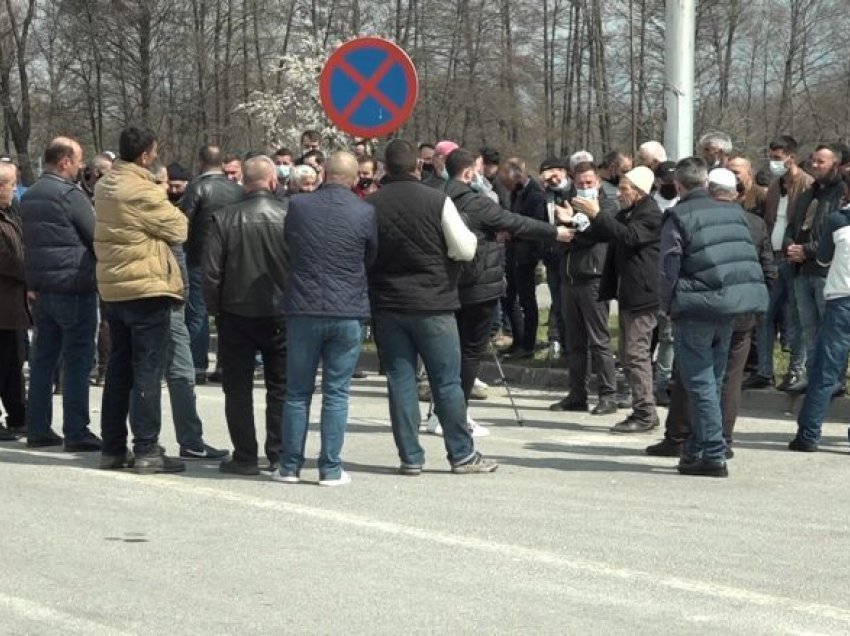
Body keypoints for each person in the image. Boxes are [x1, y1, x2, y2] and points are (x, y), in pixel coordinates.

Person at [367, 139, 497, 475]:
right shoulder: (437, 200)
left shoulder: (372, 204)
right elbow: (465, 249)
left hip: (388, 302)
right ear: (418, 167)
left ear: (386, 168)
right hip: (434, 301)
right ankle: (461, 454)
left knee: (400, 379)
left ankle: (410, 457)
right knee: (447, 381)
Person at [437, 148, 573, 436]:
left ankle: (441, 412)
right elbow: (517, 223)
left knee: (451, 351)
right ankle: (455, 416)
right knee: (470, 351)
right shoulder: (476, 202)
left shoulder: (434, 196)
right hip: (477, 285)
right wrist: (555, 232)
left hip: (444, 285)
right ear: (468, 172)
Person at [647, 167, 775, 459]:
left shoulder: (679, 215)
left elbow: (668, 267)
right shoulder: (735, 214)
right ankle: (696, 447)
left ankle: (712, 451)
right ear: (705, 183)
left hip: (697, 307)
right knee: (714, 378)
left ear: (678, 185)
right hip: (732, 307)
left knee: (699, 380)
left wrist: (666, 305)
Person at [276, 152, 377, 486]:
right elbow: (371, 255)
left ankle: (289, 465)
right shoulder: (364, 211)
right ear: (352, 179)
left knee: (297, 392)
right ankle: (330, 468)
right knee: (336, 393)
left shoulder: (299, 207)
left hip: (304, 308)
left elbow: (288, 246)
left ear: (323, 173)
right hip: (347, 310)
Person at [95, 126, 188, 473]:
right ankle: (147, 448)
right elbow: (179, 229)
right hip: (146, 288)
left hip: (114, 288)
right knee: (147, 370)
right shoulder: (143, 191)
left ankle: (113, 448)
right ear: (146, 155)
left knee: (118, 369)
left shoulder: (105, 185)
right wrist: (161, 194)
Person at [204, 156, 288, 476]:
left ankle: (245, 455)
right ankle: (279, 452)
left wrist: (216, 309)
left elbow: (212, 272)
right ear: (271, 181)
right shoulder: (289, 214)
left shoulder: (224, 218)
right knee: (280, 385)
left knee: (237, 388)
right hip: (281, 311)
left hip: (236, 312)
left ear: (244, 182)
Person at [19, 137, 101, 451]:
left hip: (42, 287)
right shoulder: (70, 195)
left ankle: (38, 427)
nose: (81, 166)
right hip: (74, 285)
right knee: (78, 360)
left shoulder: (31, 194)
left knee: (43, 360)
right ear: (64, 160)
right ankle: (77, 430)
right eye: (78, 160)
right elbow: (95, 235)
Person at [151, 164, 228, 460]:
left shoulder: (117, 206)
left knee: (145, 372)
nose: (168, 187)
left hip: (137, 297)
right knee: (177, 372)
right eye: (162, 181)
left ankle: (148, 440)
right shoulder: (159, 211)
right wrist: (181, 294)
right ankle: (184, 440)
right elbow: (178, 242)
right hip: (161, 297)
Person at [578, 165, 661, 433]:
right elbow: (607, 232)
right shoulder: (630, 212)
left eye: (624, 189)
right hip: (629, 293)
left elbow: (629, 237)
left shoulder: (650, 214)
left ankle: (645, 413)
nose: (618, 194)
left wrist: (598, 214)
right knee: (628, 354)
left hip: (643, 295)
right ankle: (643, 408)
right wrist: (576, 220)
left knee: (636, 355)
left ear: (638, 192)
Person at [548, 161, 618, 415]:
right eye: (580, 183)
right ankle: (577, 393)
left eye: (590, 182)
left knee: (599, 340)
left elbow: (600, 234)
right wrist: (569, 230)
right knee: (574, 341)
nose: (585, 187)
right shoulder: (567, 202)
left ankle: (608, 394)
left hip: (593, 278)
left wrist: (574, 227)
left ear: (598, 182)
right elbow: (558, 238)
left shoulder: (607, 204)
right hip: (569, 278)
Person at [790, 173, 850, 452]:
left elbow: (824, 258)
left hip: (841, 300)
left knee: (826, 370)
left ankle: (809, 434)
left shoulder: (838, 220)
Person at [746, 136, 812, 391]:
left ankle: (796, 371)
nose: (773, 162)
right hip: (771, 258)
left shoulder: (807, 186)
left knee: (795, 318)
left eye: (777, 157)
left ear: (791, 158)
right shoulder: (774, 187)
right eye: (771, 157)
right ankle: (764, 371)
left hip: (793, 259)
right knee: (765, 314)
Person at [782, 144, 845, 394]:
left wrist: (807, 251)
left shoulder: (841, 194)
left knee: (830, 329)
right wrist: (789, 246)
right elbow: (792, 225)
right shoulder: (809, 193)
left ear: (836, 165)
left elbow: (838, 234)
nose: (815, 165)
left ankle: (833, 380)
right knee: (809, 328)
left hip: (826, 272)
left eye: (821, 161)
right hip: (801, 272)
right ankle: (811, 375)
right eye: (813, 161)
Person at [179, 145, 243, 384]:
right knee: (228, 314)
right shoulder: (237, 190)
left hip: (200, 258)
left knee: (198, 314)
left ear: (200, 161)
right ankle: (227, 364)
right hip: (233, 258)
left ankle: (197, 365)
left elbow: (183, 222)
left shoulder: (196, 187)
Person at [500, 158, 548, 360]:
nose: (507, 187)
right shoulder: (516, 193)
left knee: (527, 301)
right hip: (514, 252)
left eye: (509, 183)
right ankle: (517, 340)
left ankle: (528, 344)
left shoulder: (535, 196)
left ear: (519, 175)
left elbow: (536, 227)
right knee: (509, 297)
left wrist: (514, 233)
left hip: (526, 254)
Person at [0, 161, 28, 440]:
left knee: (13, 363)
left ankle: (19, 416)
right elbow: (10, 260)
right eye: (11, 185)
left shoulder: (11, 213)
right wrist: (32, 270)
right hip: (4, 301)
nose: (15, 189)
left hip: (11, 306)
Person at [539, 156, 571, 359]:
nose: (552, 179)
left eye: (555, 174)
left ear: (564, 171)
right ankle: (559, 342)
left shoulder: (573, 191)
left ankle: (570, 344)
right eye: (547, 176)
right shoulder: (545, 195)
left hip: (571, 255)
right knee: (557, 301)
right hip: (552, 256)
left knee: (569, 303)